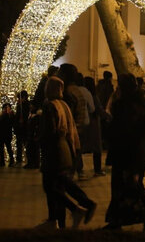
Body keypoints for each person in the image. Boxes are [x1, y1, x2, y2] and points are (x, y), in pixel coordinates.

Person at [38, 76, 96, 230]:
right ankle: (59, 221)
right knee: (61, 185)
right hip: (66, 148)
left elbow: (50, 131)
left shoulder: (50, 106)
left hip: (54, 150)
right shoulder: (63, 105)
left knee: (51, 186)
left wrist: (39, 139)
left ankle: (76, 210)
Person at [105, 74, 145, 229]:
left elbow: (124, 131)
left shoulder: (126, 106)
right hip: (134, 153)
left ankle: (124, 218)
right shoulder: (139, 103)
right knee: (130, 186)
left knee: (126, 187)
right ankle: (120, 219)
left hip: (126, 153)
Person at [83, 76, 108, 176]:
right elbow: (97, 109)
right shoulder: (93, 96)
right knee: (97, 147)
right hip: (93, 123)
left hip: (84, 122)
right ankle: (97, 170)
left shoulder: (82, 93)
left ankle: (80, 170)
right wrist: (108, 116)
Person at [0, 103, 15, 167]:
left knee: (8, 147)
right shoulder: (1, 116)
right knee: (1, 148)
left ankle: (12, 160)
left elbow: (10, 123)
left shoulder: (9, 116)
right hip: (1, 134)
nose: (5, 110)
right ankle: (2, 161)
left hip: (6, 134)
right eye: (4, 108)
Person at [24, 100, 41, 169]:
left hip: (34, 135)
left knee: (35, 150)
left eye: (32, 105)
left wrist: (36, 134)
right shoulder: (30, 114)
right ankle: (30, 163)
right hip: (30, 134)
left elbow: (37, 125)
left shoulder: (37, 115)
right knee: (29, 150)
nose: (30, 106)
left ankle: (35, 163)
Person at [15, 90, 30, 166]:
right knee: (19, 144)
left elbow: (26, 115)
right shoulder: (19, 105)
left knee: (26, 144)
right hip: (19, 128)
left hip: (25, 128)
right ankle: (19, 160)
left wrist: (23, 120)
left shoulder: (27, 105)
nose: (18, 100)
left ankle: (29, 160)